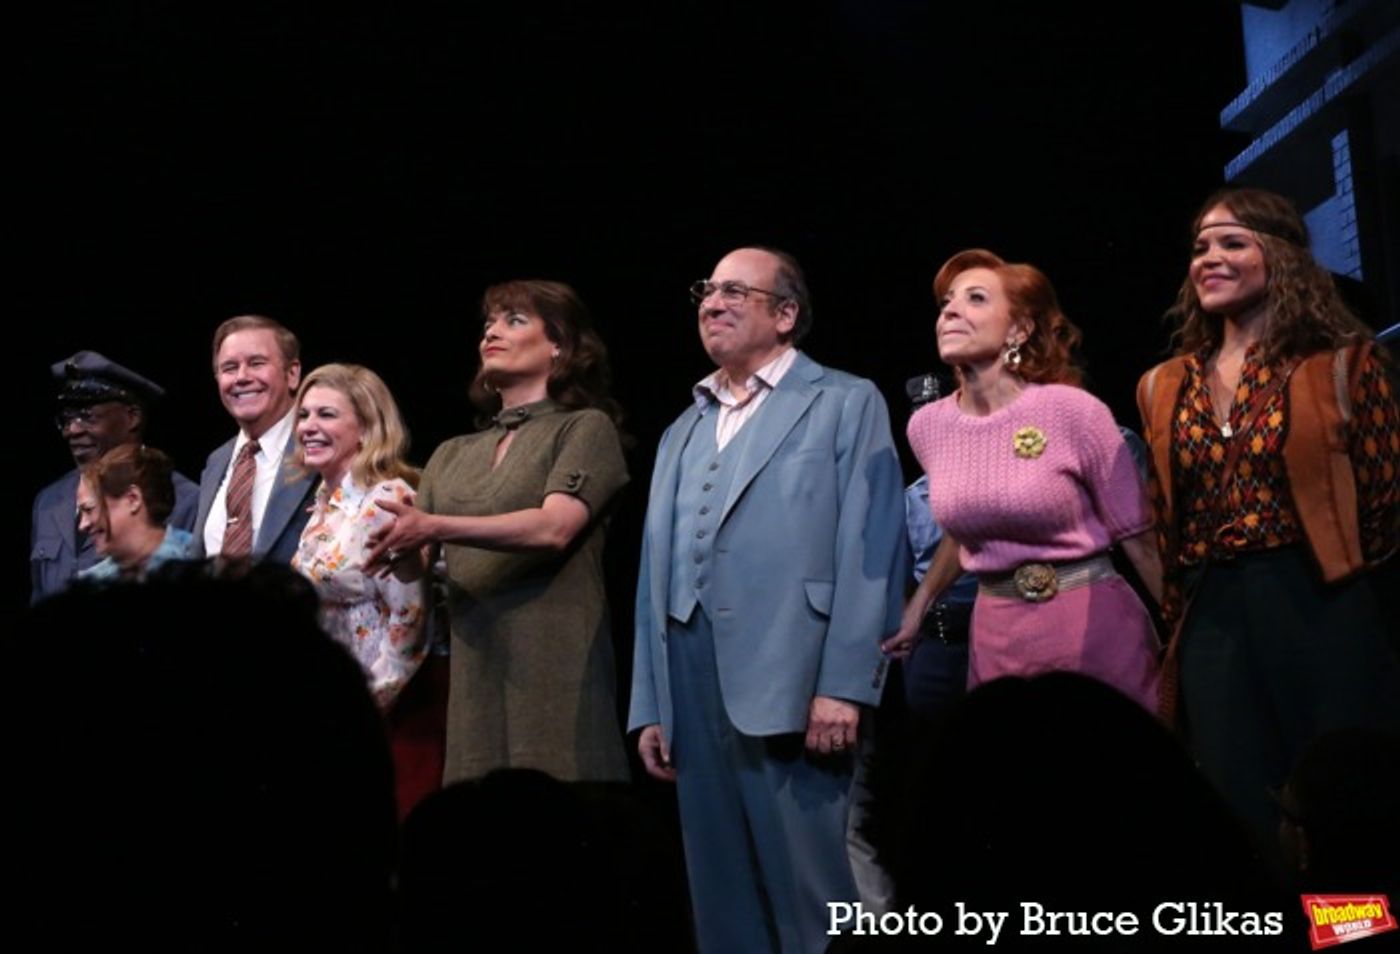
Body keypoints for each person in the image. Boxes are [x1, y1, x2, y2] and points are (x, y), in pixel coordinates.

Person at [628, 246, 906, 953]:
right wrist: (651, 704)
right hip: (690, 678)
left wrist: (845, 685)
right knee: (719, 895)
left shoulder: (844, 400)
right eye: (705, 291)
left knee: (814, 894)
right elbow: (652, 577)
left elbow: (871, 552)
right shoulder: (680, 428)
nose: (711, 304)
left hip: (796, 672)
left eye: (733, 292)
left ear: (785, 315)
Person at [1137, 187, 1400, 844]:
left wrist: (1332, 577)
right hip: (1214, 610)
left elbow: (1385, 503)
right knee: (1235, 798)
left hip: (1320, 596)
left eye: (1233, 242)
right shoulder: (1162, 383)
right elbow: (1165, 514)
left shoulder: (1344, 363)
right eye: (1200, 247)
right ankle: (1266, 931)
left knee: (1336, 801)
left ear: (1280, 255)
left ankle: (1352, 934)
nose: (1210, 258)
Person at [366, 280, 630, 785]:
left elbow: (555, 527)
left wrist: (433, 525)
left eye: (514, 320)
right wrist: (393, 539)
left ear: (560, 345)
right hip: (478, 669)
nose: (493, 331)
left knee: (562, 811)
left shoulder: (582, 429)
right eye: (489, 322)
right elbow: (419, 567)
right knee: (483, 826)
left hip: (556, 661)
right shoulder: (451, 453)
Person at [891, 249, 1162, 712]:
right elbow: (965, 528)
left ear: (1018, 330)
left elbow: (1137, 535)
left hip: (1092, 623)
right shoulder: (928, 426)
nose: (951, 311)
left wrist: (1184, 633)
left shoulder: (1071, 411)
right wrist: (918, 609)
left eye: (975, 299)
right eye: (946, 303)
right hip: (997, 635)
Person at [289, 363, 426, 709]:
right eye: (304, 415)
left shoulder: (386, 500)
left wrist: (366, 705)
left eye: (327, 414)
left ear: (366, 429)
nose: (309, 426)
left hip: (379, 704)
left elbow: (410, 617)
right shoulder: (323, 503)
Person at [32, 351, 198, 602]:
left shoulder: (187, 500)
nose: (72, 430)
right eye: (66, 419)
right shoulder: (49, 501)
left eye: (87, 416)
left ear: (133, 417)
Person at [193, 315, 317, 566]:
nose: (241, 377)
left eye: (256, 363)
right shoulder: (216, 461)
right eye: (229, 368)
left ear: (292, 373)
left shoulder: (321, 449)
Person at [76, 445, 198, 582]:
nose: (82, 525)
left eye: (89, 509)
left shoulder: (198, 559)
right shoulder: (91, 582)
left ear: (133, 499)